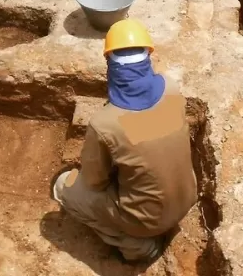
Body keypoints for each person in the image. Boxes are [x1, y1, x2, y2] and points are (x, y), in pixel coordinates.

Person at [52, 19, 197, 263]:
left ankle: (137, 246)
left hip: (146, 220)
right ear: (148, 57)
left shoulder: (105, 124)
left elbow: (94, 182)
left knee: (63, 185)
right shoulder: (171, 88)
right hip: (185, 199)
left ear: (110, 64)